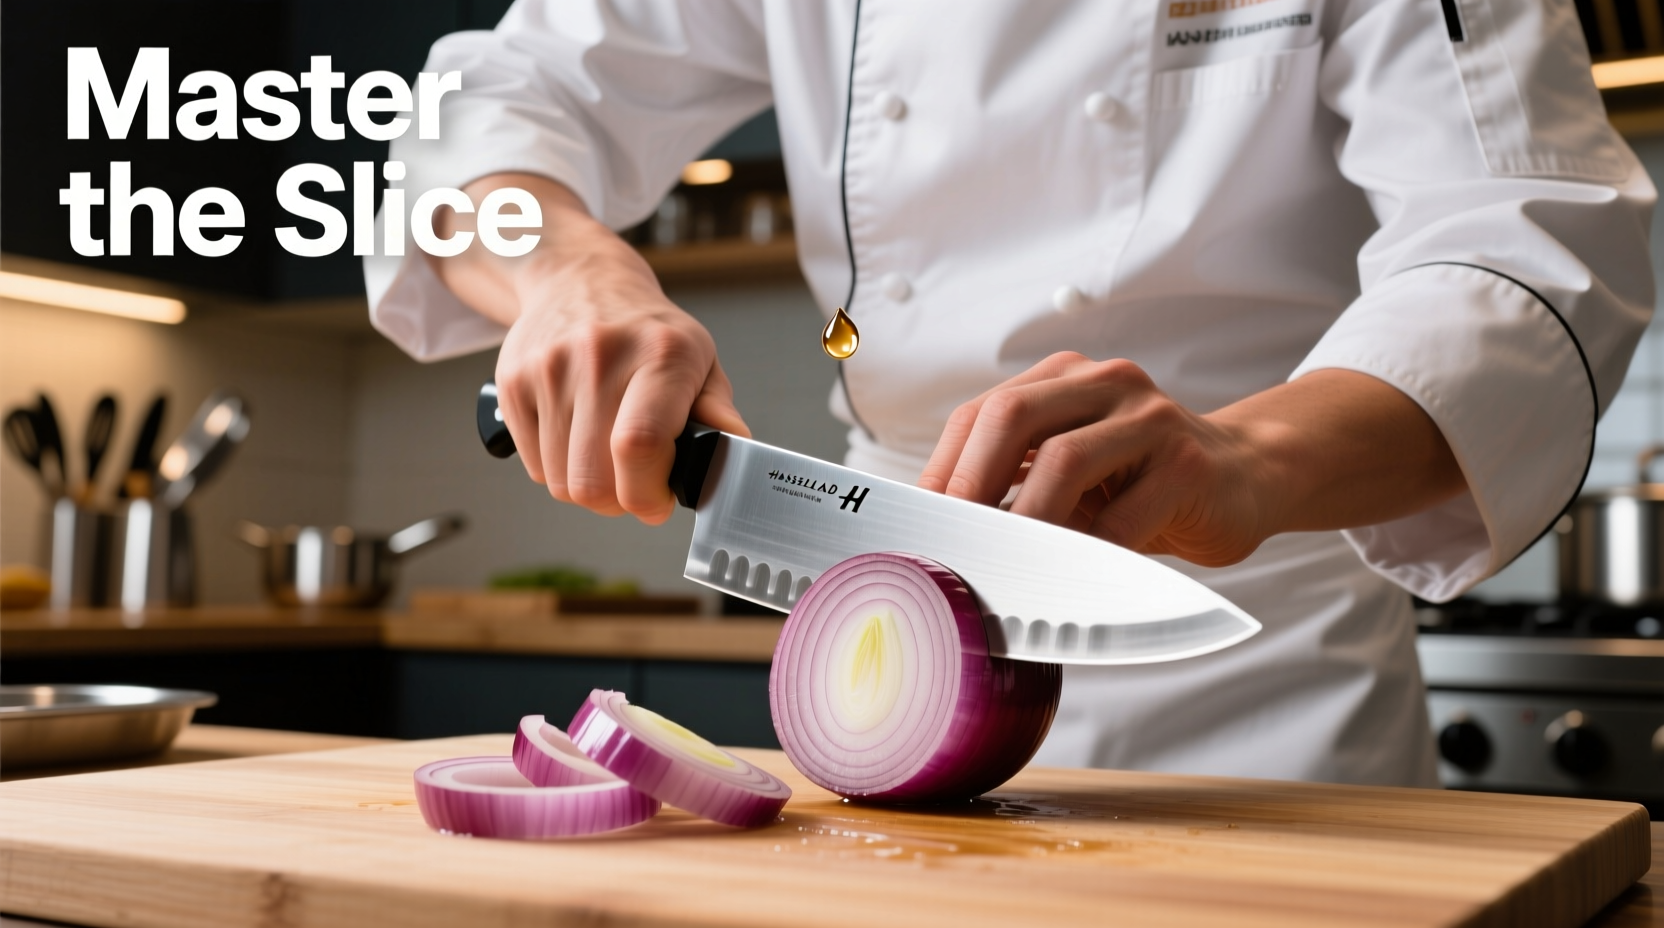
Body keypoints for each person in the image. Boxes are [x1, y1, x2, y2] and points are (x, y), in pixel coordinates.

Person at [365, 1, 1654, 787]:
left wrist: (1248, 458)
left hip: (1254, 676)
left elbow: (1529, 241)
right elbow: (476, 114)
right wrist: (566, 273)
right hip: (885, 655)